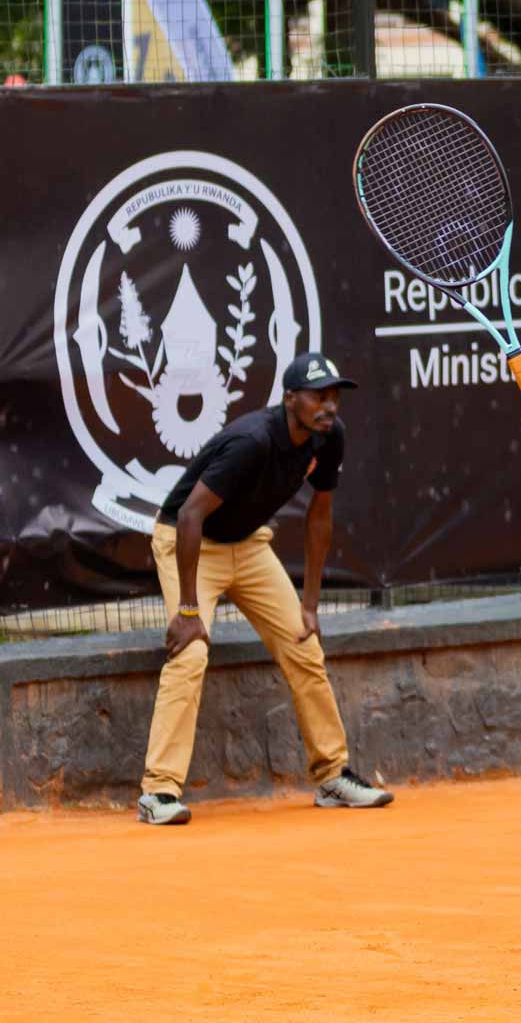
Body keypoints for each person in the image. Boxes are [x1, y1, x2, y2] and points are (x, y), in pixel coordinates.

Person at [137, 351, 393, 826]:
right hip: (188, 540)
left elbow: (320, 515)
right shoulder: (252, 441)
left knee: (303, 642)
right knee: (190, 652)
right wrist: (188, 609)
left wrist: (310, 604)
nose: (329, 406)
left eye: (334, 396)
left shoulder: (329, 437)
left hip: (249, 544)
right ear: (290, 399)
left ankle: (333, 776)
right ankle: (159, 792)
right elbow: (190, 514)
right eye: (319, 396)